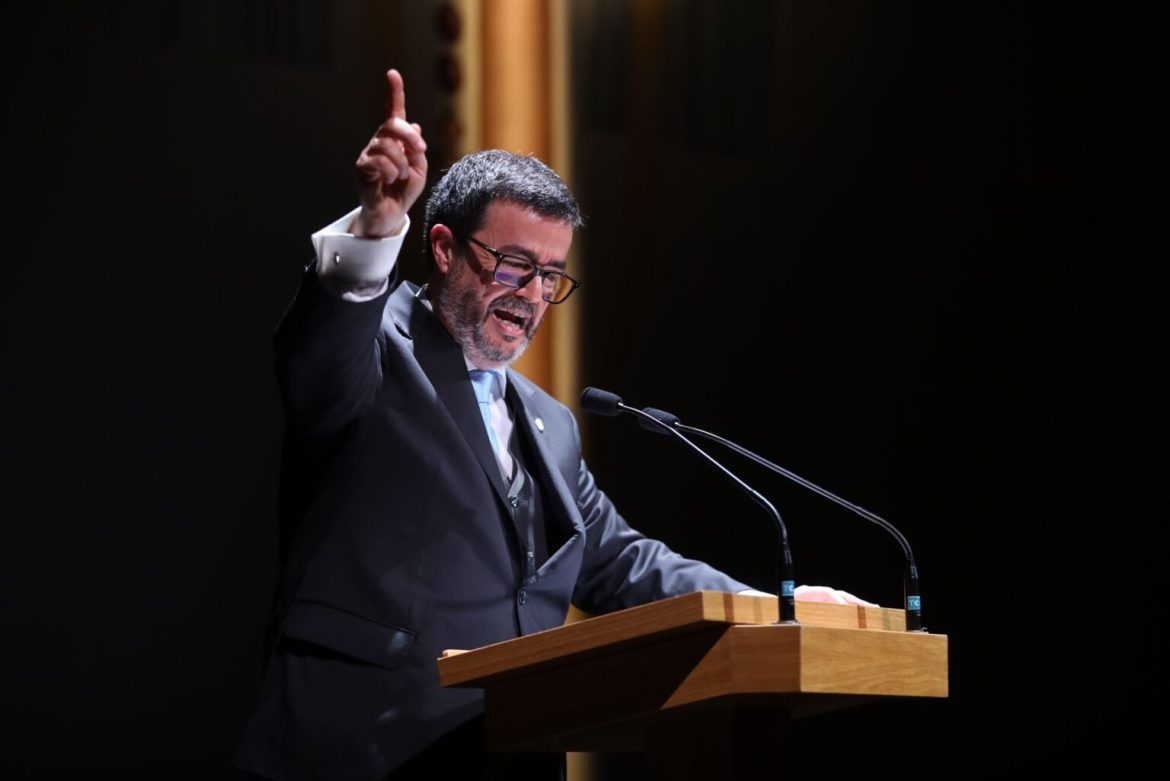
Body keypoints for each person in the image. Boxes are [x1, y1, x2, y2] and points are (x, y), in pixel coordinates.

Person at [233, 69, 871, 781]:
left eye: (551, 275)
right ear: (443, 248)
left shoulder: (551, 423)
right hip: (361, 746)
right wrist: (377, 225)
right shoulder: (374, 349)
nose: (533, 295)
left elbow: (620, 561)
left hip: (510, 745)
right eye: (514, 265)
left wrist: (771, 609)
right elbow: (316, 353)